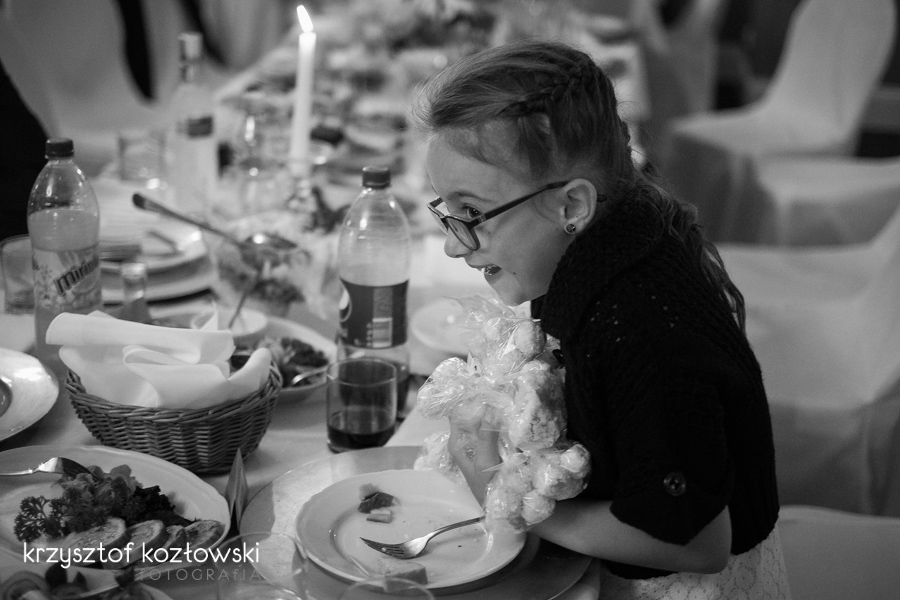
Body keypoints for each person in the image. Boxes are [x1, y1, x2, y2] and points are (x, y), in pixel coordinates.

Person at [412, 38, 791, 599]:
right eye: (448, 211)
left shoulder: (640, 332)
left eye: (472, 212)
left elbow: (698, 544)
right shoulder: (601, 250)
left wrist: (511, 503)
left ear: (572, 206)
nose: (453, 244)